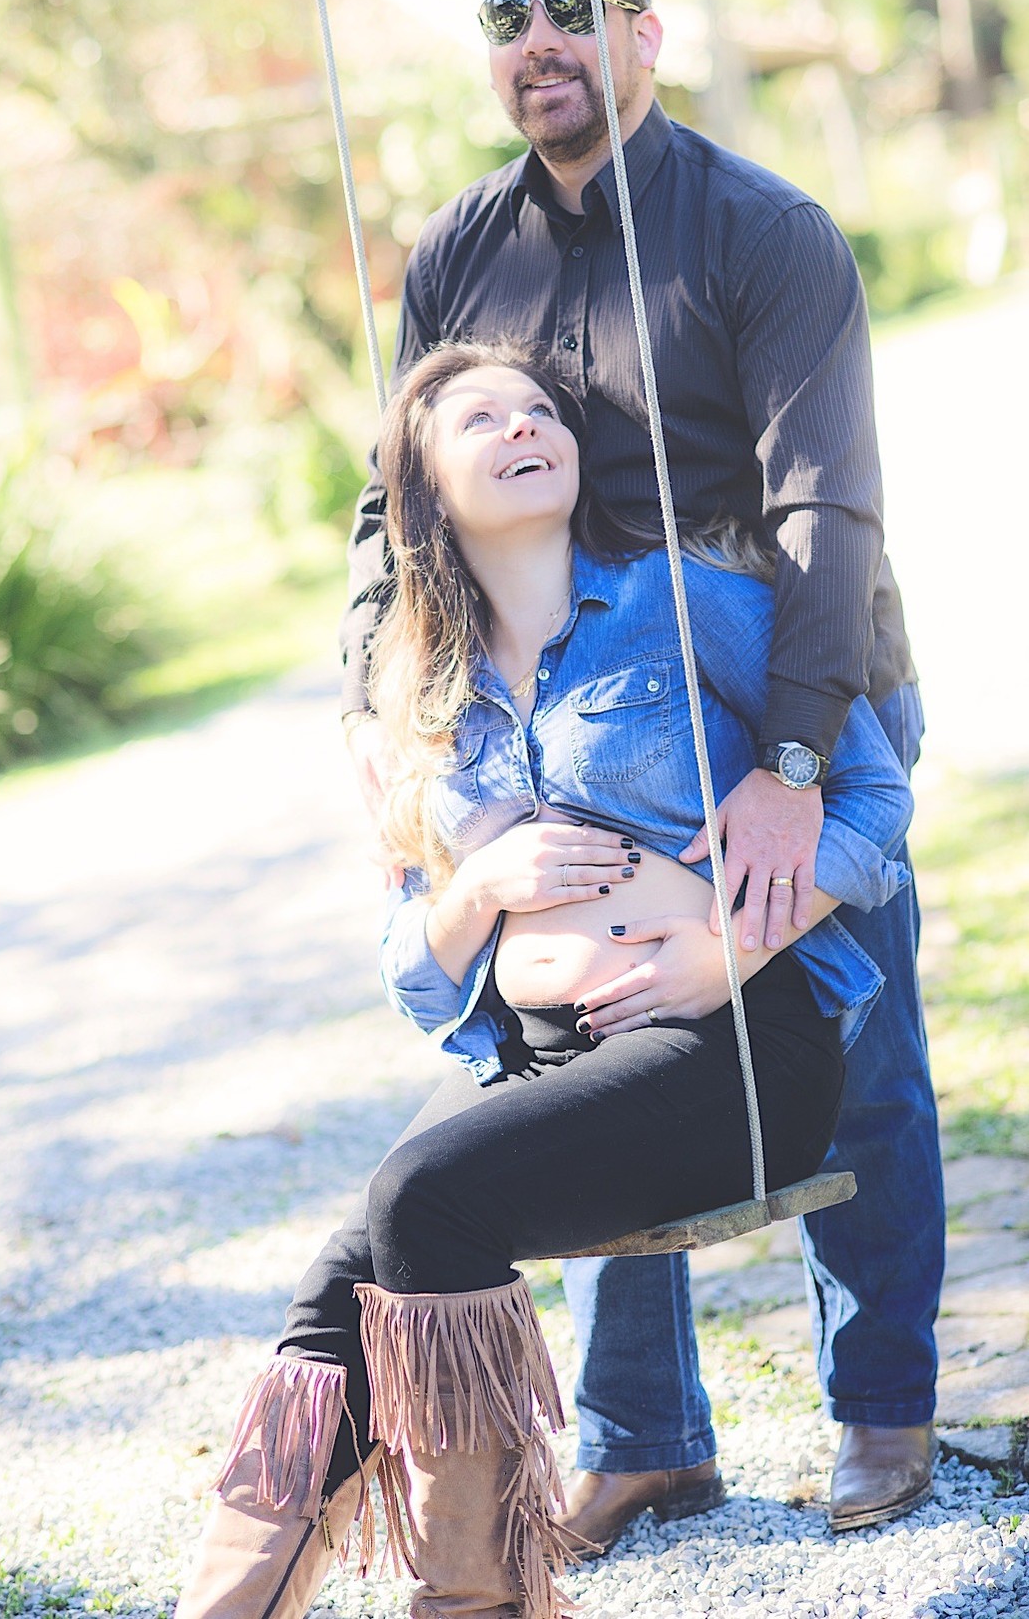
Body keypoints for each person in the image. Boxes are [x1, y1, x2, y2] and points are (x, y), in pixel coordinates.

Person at [342, 0, 944, 1543]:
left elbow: (827, 509)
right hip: (583, 705)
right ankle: (645, 1434)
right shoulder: (461, 251)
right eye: (503, 20)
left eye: (567, 9)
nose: (535, 42)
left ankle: (881, 1407)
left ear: (639, 32)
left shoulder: (761, 230)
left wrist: (795, 770)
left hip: (791, 674)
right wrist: (383, 717)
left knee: (861, 1041)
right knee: (595, 1036)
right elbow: (389, 508)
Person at [176, 343, 913, 1619]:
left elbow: (873, 800)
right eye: (479, 417)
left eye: (539, 410)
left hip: (733, 1048)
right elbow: (417, 978)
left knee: (424, 1194)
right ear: (421, 486)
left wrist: (732, 950)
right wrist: (480, 884)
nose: (524, 426)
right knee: (338, 1284)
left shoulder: (685, 602)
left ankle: (479, 1603)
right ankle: (229, 1609)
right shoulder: (418, 694)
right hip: (549, 1057)